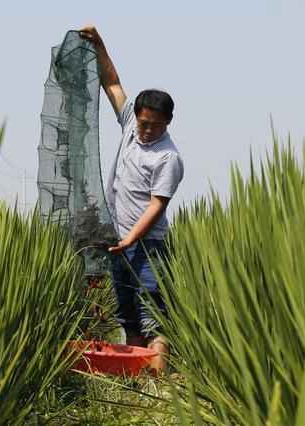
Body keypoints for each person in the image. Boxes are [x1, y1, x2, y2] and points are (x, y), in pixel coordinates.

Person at [79, 26, 184, 372]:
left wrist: (130, 239)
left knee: (153, 315)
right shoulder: (129, 127)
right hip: (119, 244)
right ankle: (138, 386)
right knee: (128, 317)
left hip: (147, 245)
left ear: (167, 122)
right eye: (143, 123)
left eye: (154, 125)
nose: (147, 130)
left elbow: (157, 205)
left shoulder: (168, 158)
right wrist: (99, 44)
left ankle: (161, 387)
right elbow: (112, 84)